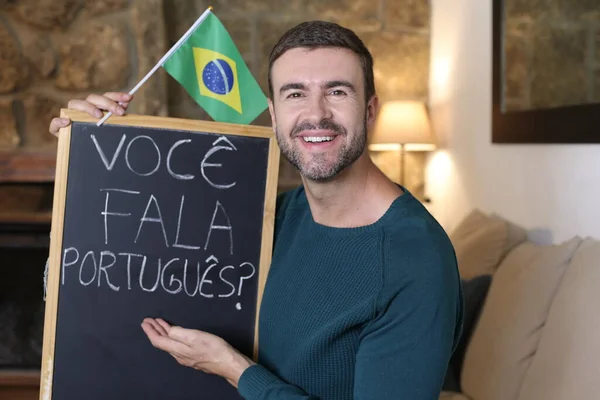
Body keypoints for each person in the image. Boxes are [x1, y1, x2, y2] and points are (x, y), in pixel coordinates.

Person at [49, 20, 463, 400]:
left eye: (337, 91)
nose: (316, 113)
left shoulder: (415, 258)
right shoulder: (270, 217)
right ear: (274, 114)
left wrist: (235, 370)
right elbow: (136, 289)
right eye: (295, 93)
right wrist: (85, 161)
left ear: (370, 110)